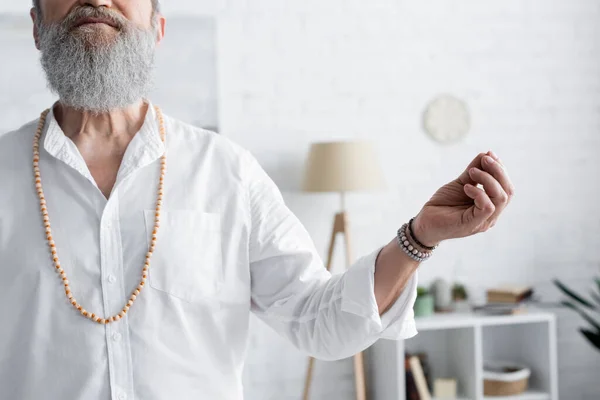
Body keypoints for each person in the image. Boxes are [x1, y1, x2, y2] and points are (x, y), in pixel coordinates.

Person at [0, 1, 514, 399]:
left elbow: (320, 322)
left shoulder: (228, 171)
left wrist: (419, 237)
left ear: (157, 29)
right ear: (37, 27)